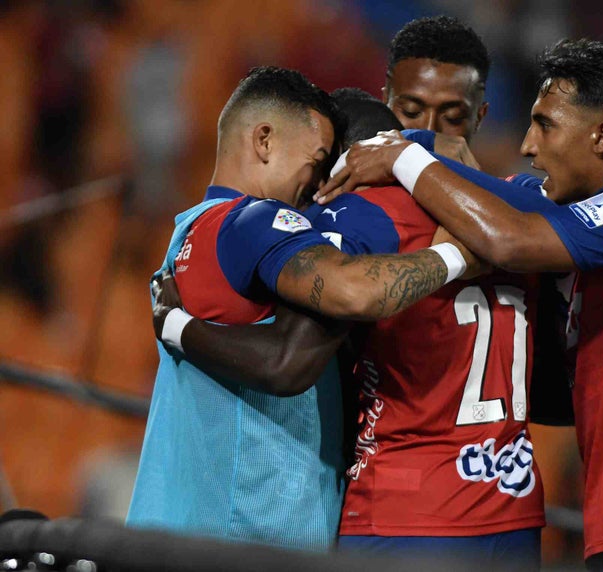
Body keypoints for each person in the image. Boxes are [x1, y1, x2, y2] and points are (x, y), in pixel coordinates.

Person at [318, 39, 603, 571]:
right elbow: (511, 204)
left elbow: (510, 238)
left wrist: (405, 155)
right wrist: (434, 151)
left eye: (545, 125)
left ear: (601, 136)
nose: (528, 145)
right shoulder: (600, 243)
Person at [153, 87, 547, 570]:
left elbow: (292, 356)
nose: (312, 188)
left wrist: (174, 325)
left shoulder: (347, 214)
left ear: (348, 163)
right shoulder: (511, 211)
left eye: (322, 165)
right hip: (513, 498)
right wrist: (429, 155)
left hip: (404, 507)